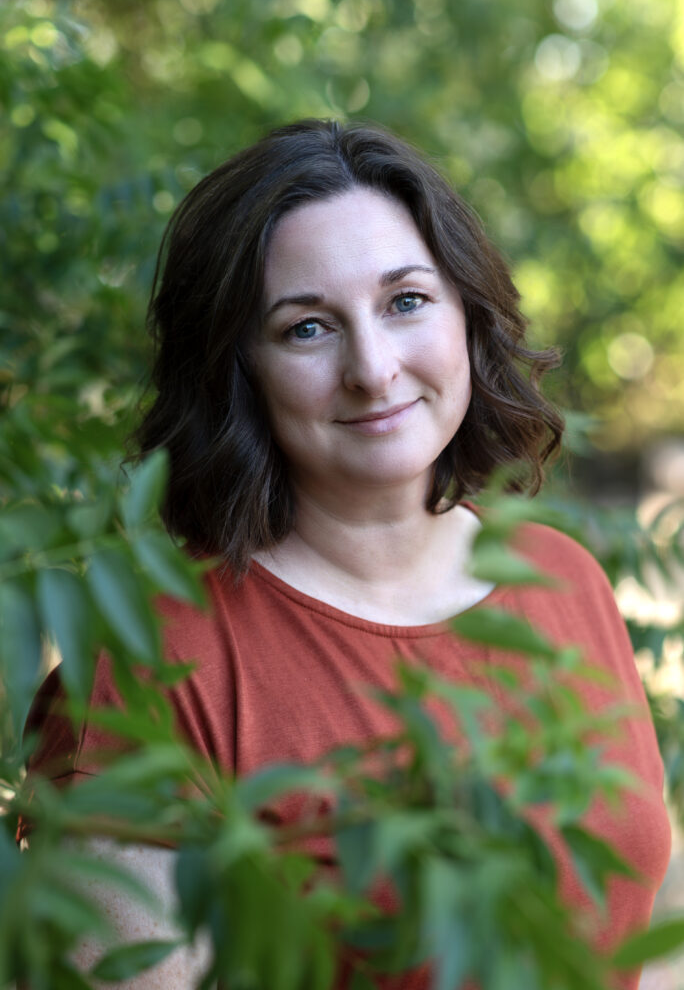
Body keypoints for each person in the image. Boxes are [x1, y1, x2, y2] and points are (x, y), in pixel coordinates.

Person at [23, 119, 670, 989]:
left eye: (406, 302)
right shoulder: (148, 655)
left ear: (467, 317)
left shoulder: (563, 581)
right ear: (235, 369)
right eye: (307, 329)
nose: (372, 368)